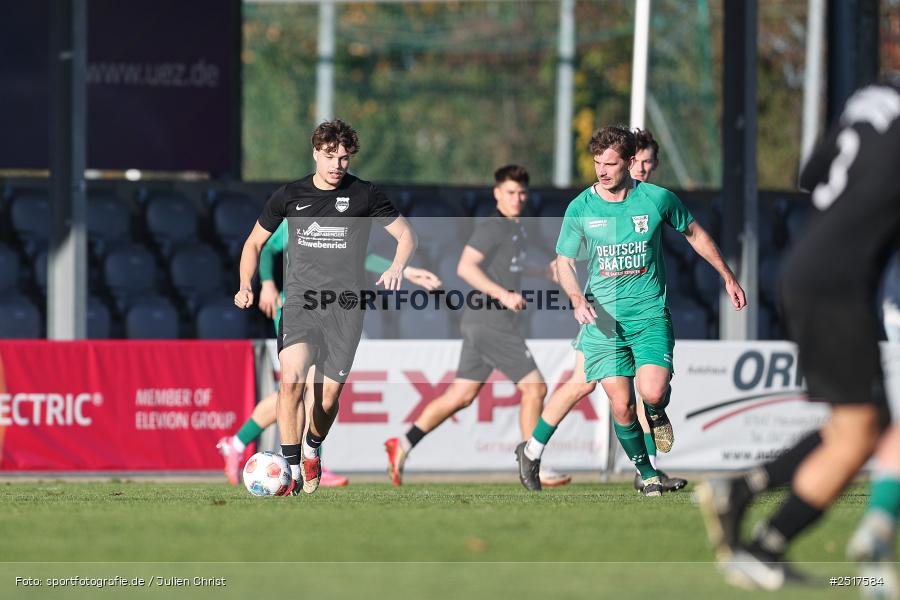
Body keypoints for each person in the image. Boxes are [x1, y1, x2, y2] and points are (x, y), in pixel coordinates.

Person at [697, 78, 900, 589]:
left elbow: (811, 174)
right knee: (861, 433)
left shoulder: (873, 96)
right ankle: (764, 538)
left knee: (859, 422)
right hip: (842, 281)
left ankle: (744, 496)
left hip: (807, 266)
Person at [515, 125, 745, 495]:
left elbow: (695, 234)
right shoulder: (581, 207)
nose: (602, 171)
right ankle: (646, 473)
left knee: (651, 393)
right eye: (597, 163)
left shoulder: (657, 199)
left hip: (649, 315)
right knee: (620, 403)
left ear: (629, 162)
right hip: (603, 320)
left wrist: (727, 275)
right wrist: (576, 298)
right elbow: (564, 262)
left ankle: (652, 416)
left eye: (610, 164)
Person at [235, 119, 416, 496]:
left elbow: (405, 236)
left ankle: (312, 448)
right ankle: (289, 470)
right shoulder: (290, 195)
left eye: (344, 158)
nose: (337, 165)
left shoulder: (365, 194)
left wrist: (398, 266)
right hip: (300, 305)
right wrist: (246, 285)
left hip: (345, 309)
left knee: (328, 398)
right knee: (291, 381)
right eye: (330, 156)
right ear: (315, 153)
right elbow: (254, 243)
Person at [384, 165, 570, 488]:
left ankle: (402, 444)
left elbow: (511, 266)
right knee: (535, 388)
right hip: (490, 319)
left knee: (461, 395)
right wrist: (503, 294)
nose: (517, 198)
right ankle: (532, 462)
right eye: (510, 192)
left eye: (522, 193)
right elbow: (465, 267)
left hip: (480, 322)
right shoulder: (492, 228)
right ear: (497, 194)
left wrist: (542, 272)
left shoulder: (516, 229)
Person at [217, 220, 442, 487]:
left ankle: (238, 443)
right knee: (305, 388)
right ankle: (308, 463)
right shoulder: (297, 214)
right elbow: (264, 247)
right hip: (297, 311)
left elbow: (362, 257)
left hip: (332, 313)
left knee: (303, 390)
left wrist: (407, 270)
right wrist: (267, 283)